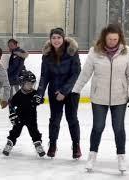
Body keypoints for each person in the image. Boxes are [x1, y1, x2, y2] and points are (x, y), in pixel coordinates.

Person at [72, 24, 129, 173]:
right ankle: (92, 156)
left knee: (119, 128)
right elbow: (85, 73)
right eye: (110, 39)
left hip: (119, 97)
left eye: (115, 39)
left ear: (120, 38)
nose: (113, 41)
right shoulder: (94, 52)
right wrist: (76, 90)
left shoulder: (126, 52)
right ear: (104, 38)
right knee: (98, 127)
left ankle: (121, 157)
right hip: (99, 97)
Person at [34, 28, 82, 159]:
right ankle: (53, 144)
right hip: (54, 91)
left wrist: (64, 91)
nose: (56, 40)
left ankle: (76, 145)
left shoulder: (72, 52)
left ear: (63, 38)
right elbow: (44, 76)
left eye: (58, 38)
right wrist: (39, 93)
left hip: (71, 92)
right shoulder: (47, 55)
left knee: (72, 118)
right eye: (53, 38)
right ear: (50, 39)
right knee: (54, 119)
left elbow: (76, 73)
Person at [2, 70, 45, 157]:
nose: (31, 85)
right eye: (28, 83)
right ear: (22, 83)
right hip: (19, 118)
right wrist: (12, 114)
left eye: (32, 83)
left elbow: (40, 100)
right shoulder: (17, 95)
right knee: (15, 132)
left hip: (31, 118)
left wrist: (40, 100)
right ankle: (9, 144)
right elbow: (12, 105)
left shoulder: (34, 93)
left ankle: (38, 145)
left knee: (34, 132)